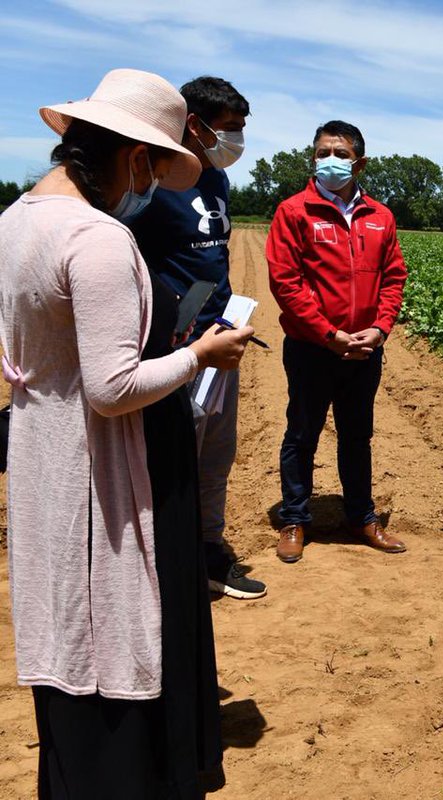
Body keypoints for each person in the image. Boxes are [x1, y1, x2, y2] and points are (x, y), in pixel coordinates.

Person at [0, 68, 252, 798]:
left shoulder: (16, 219)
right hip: (98, 460)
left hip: (42, 447)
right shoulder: (100, 239)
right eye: (154, 168)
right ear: (136, 157)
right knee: (111, 622)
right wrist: (199, 354)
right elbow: (113, 390)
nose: (152, 188)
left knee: (64, 619)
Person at [130, 76, 265, 601]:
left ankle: (209, 550)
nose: (236, 141)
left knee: (216, 454)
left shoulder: (216, 182)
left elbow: (211, 257)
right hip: (174, 347)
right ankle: (167, 562)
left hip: (220, 337)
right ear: (195, 125)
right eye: (229, 129)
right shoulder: (153, 186)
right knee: (170, 456)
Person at [266, 120, 408, 562]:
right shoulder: (294, 211)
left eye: (341, 154)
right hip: (312, 348)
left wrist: (380, 329)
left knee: (356, 436)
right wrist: (328, 335)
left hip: (364, 350)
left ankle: (361, 517)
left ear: (359, 163)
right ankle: (294, 519)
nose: (331, 160)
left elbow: (393, 277)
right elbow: (285, 283)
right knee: (302, 434)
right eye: (323, 152)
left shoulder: (380, 217)